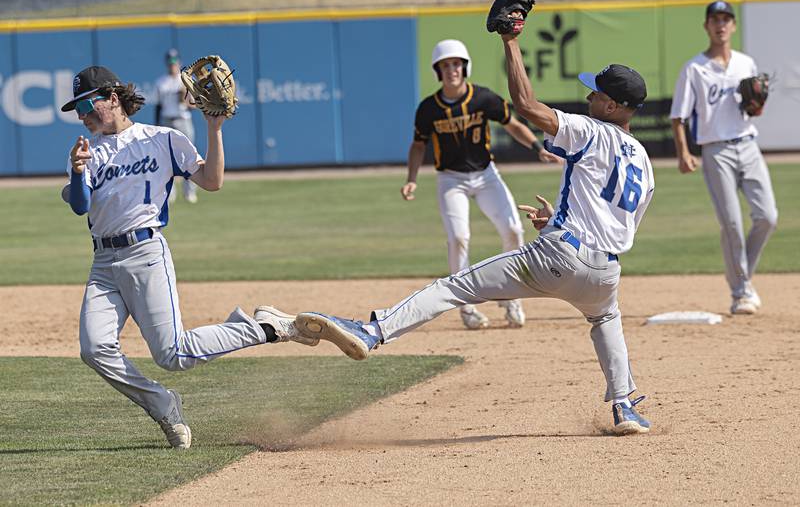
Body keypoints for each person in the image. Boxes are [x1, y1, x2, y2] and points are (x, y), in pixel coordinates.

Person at [289, 25, 656, 434]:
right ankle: (624, 405)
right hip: (605, 271)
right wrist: (558, 222)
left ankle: (372, 331)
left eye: (596, 93)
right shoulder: (644, 161)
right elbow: (617, 225)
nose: (589, 96)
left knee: (455, 287)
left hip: (558, 255)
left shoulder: (590, 130)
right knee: (606, 319)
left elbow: (526, 105)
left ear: (611, 105)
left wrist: (511, 40)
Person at [62, 66, 316, 450]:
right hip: (103, 265)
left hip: (146, 253)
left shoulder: (163, 139)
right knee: (94, 349)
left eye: (87, 104)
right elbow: (80, 206)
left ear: (112, 99)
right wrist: (79, 172)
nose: (82, 115)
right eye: (78, 109)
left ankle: (264, 328)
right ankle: (163, 404)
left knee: (173, 354)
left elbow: (211, 182)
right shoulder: (89, 152)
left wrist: (214, 130)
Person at [403, 39, 560, 330]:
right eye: (445, 65)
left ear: (465, 67)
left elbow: (512, 123)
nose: (452, 70)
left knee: (513, 229)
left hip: (486, 174)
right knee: (459, 237)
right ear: (438, 71)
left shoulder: (482, 98)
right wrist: (411, 179)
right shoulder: (428, 109)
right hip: (451, 179)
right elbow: (417, 145)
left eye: (456, 64)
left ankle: (512, 297)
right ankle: (466, 307)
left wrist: (537, 147)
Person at [670, 0, 778, 315]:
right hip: (716, 151)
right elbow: (679, 117)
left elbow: (753, 109)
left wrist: (757, 105)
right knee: (731, 223)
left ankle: (743, 275)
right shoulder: (694, 68)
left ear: (733, 25)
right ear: (706, 26)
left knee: (767, 217)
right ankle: (741, 291)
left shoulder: (746, 63)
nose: (721, 25)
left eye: (726, 19)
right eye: (715, 19)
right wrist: (683, 153)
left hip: (748, 145)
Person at [154, 48, 198, 204]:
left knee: (189, 156)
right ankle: (170, 192)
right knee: (167, 158)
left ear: (179, 62)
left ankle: (190, 192)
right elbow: (158, 106)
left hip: (182, 119)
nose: (172, 64)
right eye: (170, 62)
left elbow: (194, 104)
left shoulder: (185, 80)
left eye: (175, 61)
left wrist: (185, 100)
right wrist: (157, 125)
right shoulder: (161, 82)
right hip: (166, 120)